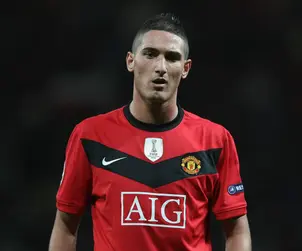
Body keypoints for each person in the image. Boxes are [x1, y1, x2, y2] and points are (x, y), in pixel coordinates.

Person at [49, 12, 251, 251]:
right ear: (130, 61)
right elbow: (65, 224)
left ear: (185, 68)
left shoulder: (216, 141)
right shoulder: (90, 135)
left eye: (172, 57)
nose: (161, 67)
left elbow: (237, 231)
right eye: (150, 54)